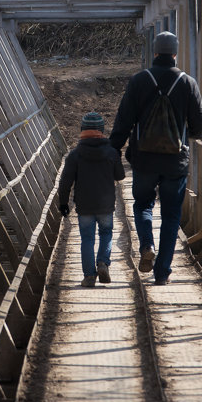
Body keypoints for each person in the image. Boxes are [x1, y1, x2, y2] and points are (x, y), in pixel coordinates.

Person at [109, 31, 202, 285]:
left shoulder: (140, 80)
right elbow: (199, 127)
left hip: (144, 160)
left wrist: (114, 148)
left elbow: (124, 120)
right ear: (175, 53)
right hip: (176, 161)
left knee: (142, 205)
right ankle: (162, 272)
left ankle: (146, 245)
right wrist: (186, 135)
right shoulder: (188, 82)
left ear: (155, 52)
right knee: (172, 215)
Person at [57, 111, 126, 287]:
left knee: (87, 239)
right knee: (106, 234)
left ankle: (89, 276)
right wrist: (115, 158)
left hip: (84, 205)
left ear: (82, 130)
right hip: (105, 205)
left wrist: (63, 203)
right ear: (102, 130)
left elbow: (65, 182)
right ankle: (103, 262)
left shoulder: (75, 154)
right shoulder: (111, 152)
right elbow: (121, 175)